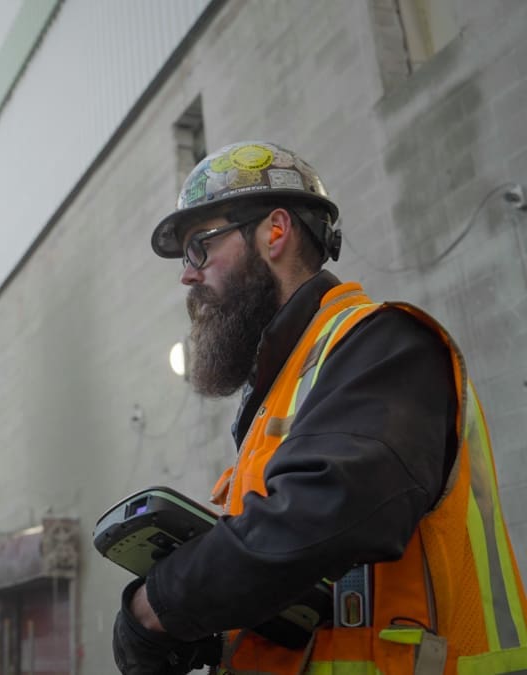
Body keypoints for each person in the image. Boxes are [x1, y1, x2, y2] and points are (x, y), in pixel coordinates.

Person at [112, 140, 527, 674]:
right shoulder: (282, 390)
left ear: (275, 232)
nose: (187, 275)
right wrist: (211, 640)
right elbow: (313, 597)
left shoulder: (384, 347)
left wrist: (158, 605)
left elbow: (315, 518)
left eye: (200, 247)